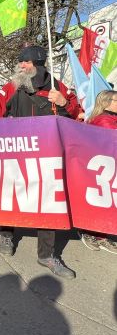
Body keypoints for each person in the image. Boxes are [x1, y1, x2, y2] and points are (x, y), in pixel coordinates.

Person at [0, 45, 80, 279]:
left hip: (48, 157)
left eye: (27, 62)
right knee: (11, 195)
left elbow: (78, 115)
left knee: (49, 203)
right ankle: (7, 234)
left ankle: (47, 255)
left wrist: (64, 103)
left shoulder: (59, 87)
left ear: (39, 65)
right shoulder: (11, 87)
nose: (22, 65)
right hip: (16, 154)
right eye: (21, 61)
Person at [78, 90, 117, 253]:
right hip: (101, 169)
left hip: (106, 167)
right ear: (106, 102)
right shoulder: (104, 120)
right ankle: (89, 232)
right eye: (116, 100)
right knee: (101, 202)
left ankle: (102, 235)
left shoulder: (110, 119)